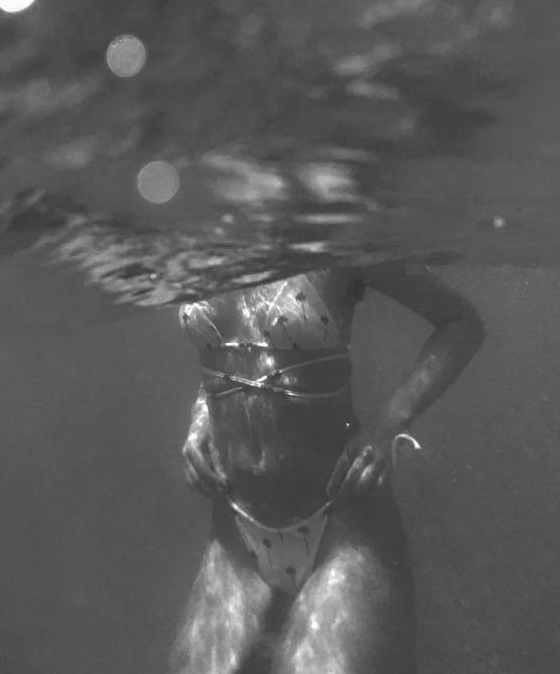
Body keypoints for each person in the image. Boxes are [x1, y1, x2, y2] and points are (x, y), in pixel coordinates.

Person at [171, 262, 484, 674]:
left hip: (342, 526)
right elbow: (228, 348)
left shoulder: (337, 235)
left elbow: (461, 324)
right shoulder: (207, 235)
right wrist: (200, 420)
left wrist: (387, 424)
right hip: (235, 530)